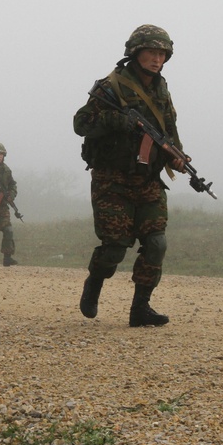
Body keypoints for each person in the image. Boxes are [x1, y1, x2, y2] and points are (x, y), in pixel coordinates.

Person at [73, 24, 188, 327]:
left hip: (147, 179)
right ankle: (95, 283)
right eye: (151, 52)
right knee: (114, 245)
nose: (157, 59)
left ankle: (140, 308)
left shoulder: (161, 90)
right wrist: (118, 121)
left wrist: (177, 156)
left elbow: (168, 131)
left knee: (157, 243)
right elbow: (81, 123)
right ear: (136, 53)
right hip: (112, 180)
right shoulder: (111, 86)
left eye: (162, 53)